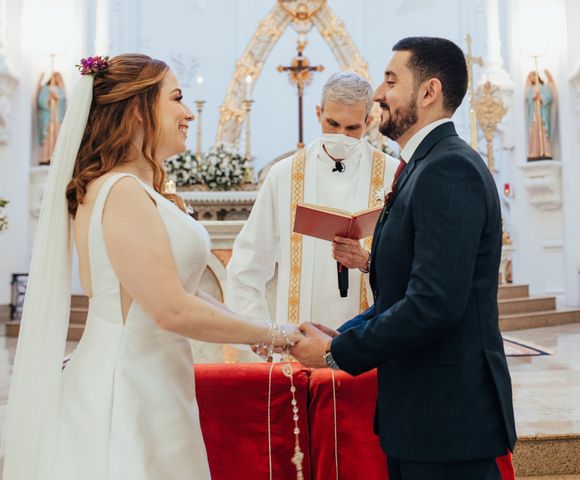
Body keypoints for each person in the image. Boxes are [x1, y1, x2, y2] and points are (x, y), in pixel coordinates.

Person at [1, 53, 301, 480]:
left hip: (156, 380)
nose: (187, 113)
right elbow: (170, 309)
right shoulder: (121, 191)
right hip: (126, 387)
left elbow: (180, 291)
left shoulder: (135, 188)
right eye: (176, 98)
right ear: (138, 110)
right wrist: (275, 335)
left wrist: (254, 328)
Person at [292, 37, 516, 480]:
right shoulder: (420, 166)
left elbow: (433, 303)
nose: (378, 93)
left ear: (429, 92)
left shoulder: (448, 169)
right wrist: (346, 331)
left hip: (447, 421)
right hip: (424, 417)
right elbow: (404, 288)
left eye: (391, 81)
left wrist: (337, 352)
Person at [226, 72, 398, 334]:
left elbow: (413, 267)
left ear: (369, 121)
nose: (341, 134)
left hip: (370, 342)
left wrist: (366, 261)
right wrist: (260, 335)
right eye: (332, 123)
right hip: (298, 340)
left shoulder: (392, 175)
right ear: (318, 113)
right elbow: (247, 264)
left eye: (352, 128)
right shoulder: (284, 175)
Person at [525, 69, 556, 160]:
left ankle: (546, 152)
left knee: (543, 132)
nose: (531, 79)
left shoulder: (543, 87)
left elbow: (549, 97)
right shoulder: (531, 88)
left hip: (542, 114)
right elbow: (528, 98)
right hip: (534, 115)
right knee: (534, 133)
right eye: (530, 78)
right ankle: (534, 152)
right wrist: (533, 97)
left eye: (532, 77)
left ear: (536, 76)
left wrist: (541, 97)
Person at [37, 71, 67, 164]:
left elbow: (63, 100)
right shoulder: (46, 88)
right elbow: (41, 101)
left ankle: (54, 158)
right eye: (56, 77)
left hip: (57, 117)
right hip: (48, 117)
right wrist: (49, 98)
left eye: (59, 77)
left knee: (56, 137)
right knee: (46, 138)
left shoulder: (60, 89)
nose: (58, 79)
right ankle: (45, 157)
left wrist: (57, 97)